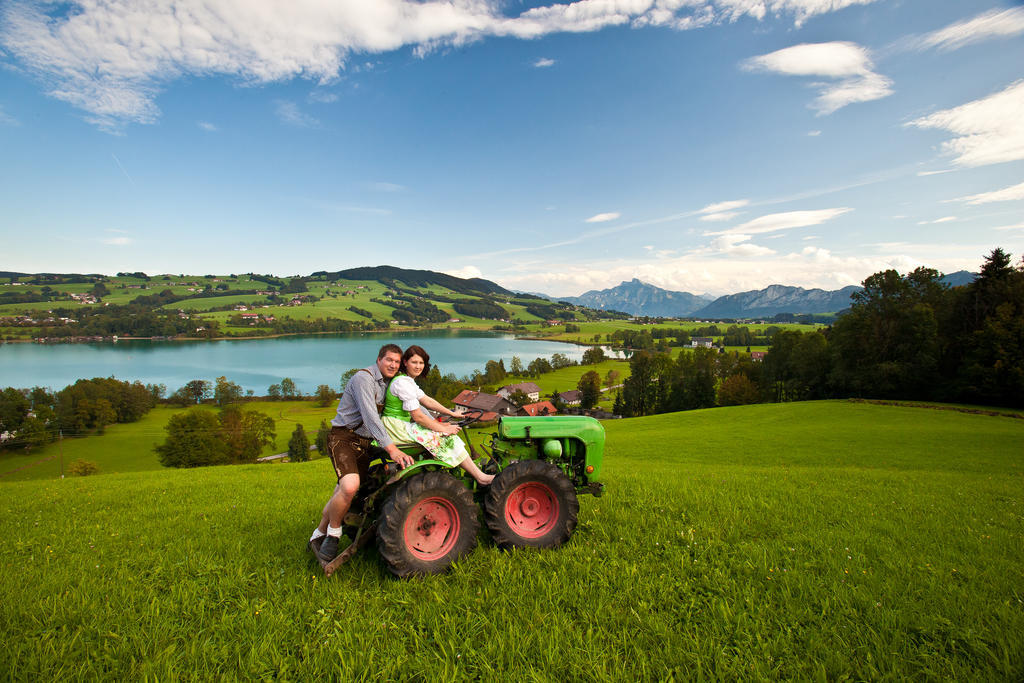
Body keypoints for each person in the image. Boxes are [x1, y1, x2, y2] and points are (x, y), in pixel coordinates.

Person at [312, 343, 413, 563]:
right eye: (389, 360)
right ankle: (334, 534)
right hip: (344, 438)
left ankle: (319, 533)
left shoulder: (390, 383)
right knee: (349, 486)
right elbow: (370, 417)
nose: (393, 365)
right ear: (379, 360)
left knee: (343, 489)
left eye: (397, 362)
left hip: (365, 443)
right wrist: (392, 449)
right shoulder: (363, 379)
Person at [381, 345, 494, 486]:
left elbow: (427, 401)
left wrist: (451, 413)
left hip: (399, 425)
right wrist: (443, 429)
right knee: (449, 437)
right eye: (414, 362)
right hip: (395, 428)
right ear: (405, 362)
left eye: (421, 363)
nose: (418, 366)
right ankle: (481, 477)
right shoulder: (402, 383)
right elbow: (418, 417)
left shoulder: (406, 381)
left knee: (443, 431)